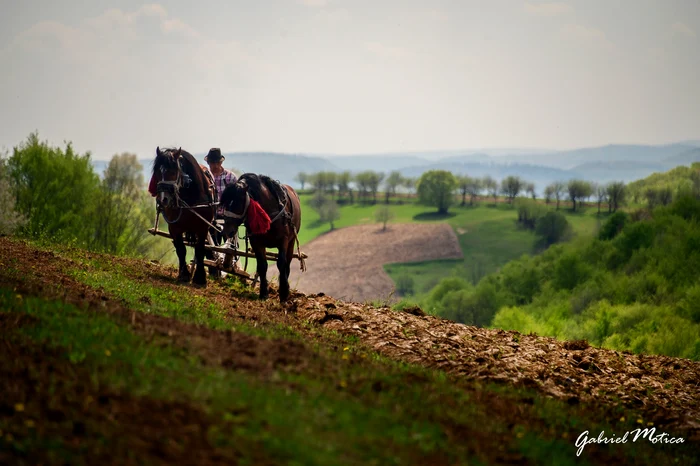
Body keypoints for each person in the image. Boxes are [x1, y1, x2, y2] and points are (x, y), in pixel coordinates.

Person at [205, 148, 237, 246]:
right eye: (211, 163)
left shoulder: (231, 177)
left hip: (228, 217)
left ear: (220, 163)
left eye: (216, 163)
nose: (214, 166)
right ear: (208, 163)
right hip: (209, 217)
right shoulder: (205, 178)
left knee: (231, 247)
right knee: (209, 247)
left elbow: (237, 199)